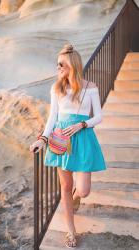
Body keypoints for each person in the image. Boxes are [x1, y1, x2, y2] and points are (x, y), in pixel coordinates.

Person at [30, 43, 107, 248]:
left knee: (83, 190)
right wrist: (43, 139)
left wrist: (82, 124)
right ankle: (71, 231)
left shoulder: (90, 87)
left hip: (82, 138)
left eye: (60, 64)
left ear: (72, 64)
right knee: (65, 186)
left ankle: (76, 197)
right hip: (60, 138)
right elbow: (52, 118)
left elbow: (98, 116)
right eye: (57, 64)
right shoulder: (56, 88)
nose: (58, 68)